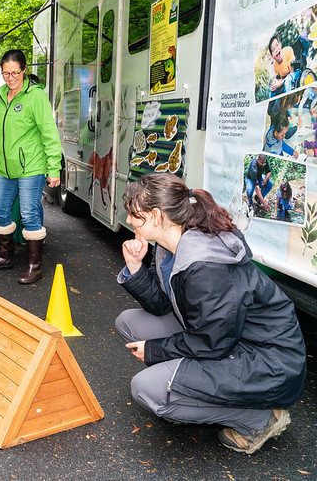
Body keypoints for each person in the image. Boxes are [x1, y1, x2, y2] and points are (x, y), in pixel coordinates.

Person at [114, 172, 306, 455]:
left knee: (145, 388)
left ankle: (260, 419)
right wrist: (134, 267)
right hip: (231, 341)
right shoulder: (171, 247)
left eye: (134, 214)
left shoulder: (206, 266)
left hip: (268, 362)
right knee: (128, 323)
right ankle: (187, 392)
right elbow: (162, 307)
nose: (129, 220)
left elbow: (212, 342)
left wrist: (156, 351)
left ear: (155, 216)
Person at [0, 49, 62, 284]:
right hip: (5, 169)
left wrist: (54, 168)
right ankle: (5, 257)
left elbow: (49, 133)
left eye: (15, 72)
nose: (11, 78)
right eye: (6, 73)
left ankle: (35, 266)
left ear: (24, 70)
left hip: (32, 167)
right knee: (0, 212)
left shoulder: (35, 96)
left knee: (29, 215)